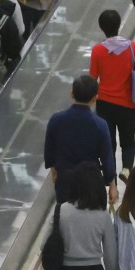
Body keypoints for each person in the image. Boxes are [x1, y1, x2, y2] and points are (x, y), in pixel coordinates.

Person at [89, 9, 135, 183]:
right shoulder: (132, 47)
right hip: (127, 104)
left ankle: (111, 177)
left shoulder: (98, 50)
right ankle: (127, 170)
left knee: (108, 142)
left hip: (104, 104)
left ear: (102, 28)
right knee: (128, 140)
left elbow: (92, 78)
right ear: (119, 25)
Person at [44, 75, 119, 205]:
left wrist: (54, 171)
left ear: (72, 94)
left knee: (65, 215)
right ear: (95, 98)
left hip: (65, 181)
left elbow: (49, 150)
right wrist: (112, 185)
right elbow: (107, 157)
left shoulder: (56, 120)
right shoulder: (100, 125)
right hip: (91, 183)